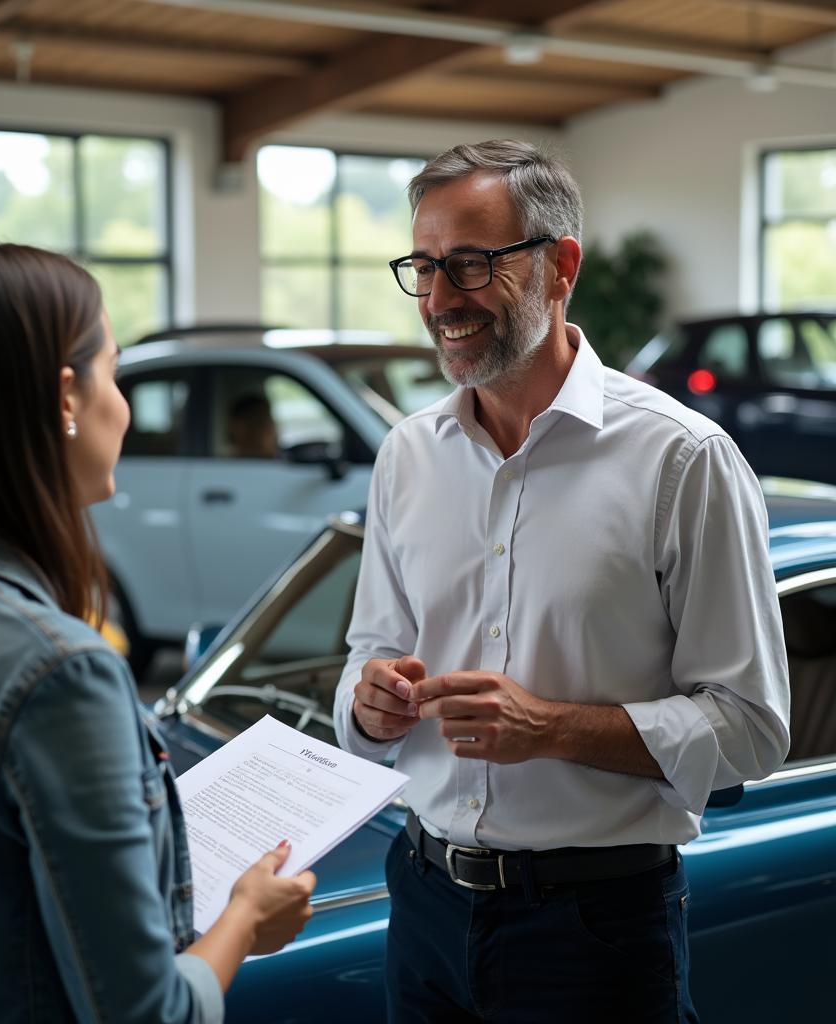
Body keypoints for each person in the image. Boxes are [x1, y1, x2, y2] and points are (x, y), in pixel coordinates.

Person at [333, 140, 789, 1023]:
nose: (438, 302)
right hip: (422, 904)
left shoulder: (682, 460)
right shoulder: (406, 457)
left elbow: (752, 731)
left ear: (560, 266)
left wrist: (550, 729)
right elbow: (370, 654)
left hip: (596, 929)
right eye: (423, 269)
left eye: (469, 266)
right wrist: (369, 702)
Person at [0, 244, 315, 1024]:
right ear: (66, 397)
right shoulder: (54, 674)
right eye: (114, 372)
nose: (123, 406)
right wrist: (243, 920)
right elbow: (144, 1015)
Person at [226, 393, 278, 459]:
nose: (272, 429)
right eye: (260, 422)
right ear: (238, 428)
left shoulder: (282, 464)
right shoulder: (222, 465)